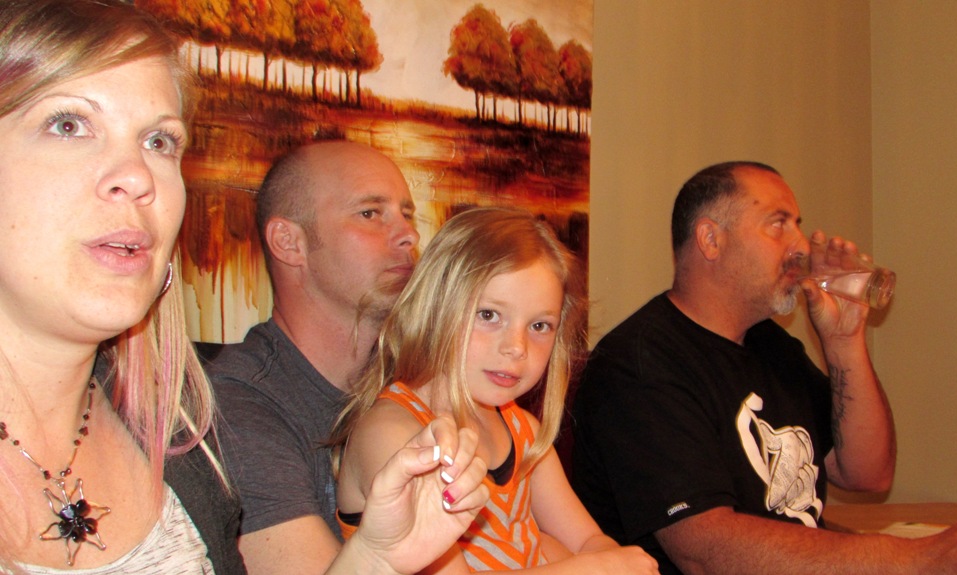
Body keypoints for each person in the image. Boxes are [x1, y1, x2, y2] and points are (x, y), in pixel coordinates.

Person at [0, 2, 488, 573]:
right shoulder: (227, 410)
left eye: (160, 142)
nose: (138, 175)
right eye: (68, 124)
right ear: (287, 242)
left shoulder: (177, 432)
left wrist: (376, 559)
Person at [570, 160, 957, 574]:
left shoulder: (770, 344)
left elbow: (866, 473)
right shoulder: (639, 364)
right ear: (711, 240)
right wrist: (919, 558)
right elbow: (704, 551)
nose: (801, 246)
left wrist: (844, 341)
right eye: (778, 224)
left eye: (798, 226)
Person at [331, 207, 659, 574]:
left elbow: (588, 541)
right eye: (489, 315)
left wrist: (612, 560)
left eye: (539, 325)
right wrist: (591, 568)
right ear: (435, 308)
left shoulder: (524, 434)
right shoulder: (394, 436)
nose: (516, 347)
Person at [207, 140, 420, 574]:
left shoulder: (423, 383)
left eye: (407, 214)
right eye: (370, 213)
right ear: (289, 243)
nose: (409, 236)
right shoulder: (236, 404)